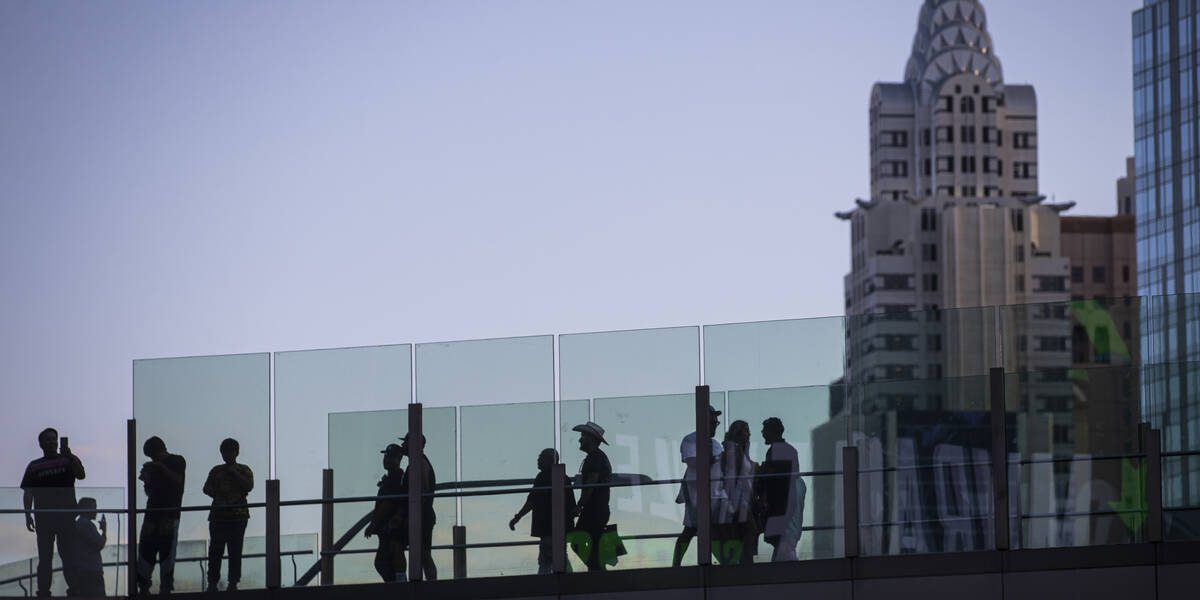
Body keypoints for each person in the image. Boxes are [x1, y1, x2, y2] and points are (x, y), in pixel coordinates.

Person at [21, 427, 86, 597]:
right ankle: (43, 592)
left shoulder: (68, 460)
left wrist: (70, 455)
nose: (52, 442)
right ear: (41, 444)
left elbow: (81, 475)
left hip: (66, 518)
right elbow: (28, 492)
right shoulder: (34, 466)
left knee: (69, 556)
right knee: (45, 558)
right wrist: (27, 514)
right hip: (44, 519)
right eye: (48, 439)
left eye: (54, 439)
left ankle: (75, 590)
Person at [509, 448, 576, 574]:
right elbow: (571, 503)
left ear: (549, 460)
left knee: (547, 558)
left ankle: (547, 581)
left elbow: (532, 501)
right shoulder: (563, 478)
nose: (538, 460)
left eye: (541, 457)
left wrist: (517, 517)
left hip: (547, 527)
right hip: (559, 526)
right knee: (558, 555)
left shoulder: (542, 477)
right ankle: (567, 579)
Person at [672, 407, 724, 567]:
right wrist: (718, 458)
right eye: (712, 423)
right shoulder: (690, 440)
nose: (715, 426)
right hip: (696, 495)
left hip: (715, 494)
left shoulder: (716, 444)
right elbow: (693, 461)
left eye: (716, 423)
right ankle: (676, 565)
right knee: (690, 529)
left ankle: (723, 563)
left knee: (711, 531)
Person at [202, 438, 254, 592]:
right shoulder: (216, 470)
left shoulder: (243, 470)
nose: (226, 455)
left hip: (236, 517)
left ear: (236, 452)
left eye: (229, 451)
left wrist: (233, 474)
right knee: (216, 550)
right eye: (224, 452)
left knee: (234, 550)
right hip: (221, 516)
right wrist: (219, 494)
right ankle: (213, 582)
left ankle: (232, 582)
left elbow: (249, 486)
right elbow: (206, 488)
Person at [137, 436, 186, 595]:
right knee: (146, 549)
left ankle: (165, 586)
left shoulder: (178, 461)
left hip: (170, 513)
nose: (153, 458)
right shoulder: (154, 467)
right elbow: (149, 492)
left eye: (153, 455)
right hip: (152, 513)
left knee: (167, 550)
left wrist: (160, 467)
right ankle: (144, 585)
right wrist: (147, 479)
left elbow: (178, 480)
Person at [755, 417, 806, 562]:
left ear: (772, 431)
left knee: (784, 545)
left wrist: (763, 472)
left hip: (781, 506)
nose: (762, 433)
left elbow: (777, 480)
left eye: (765, 430)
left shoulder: (777, 450)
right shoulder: (786, 449)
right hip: (784, 505)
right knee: (783, 545)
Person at [570, 421, 612, 572]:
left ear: (591, 439)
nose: (580, 439)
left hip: (594, 510)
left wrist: (579, 505)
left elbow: (591, 483)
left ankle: (597, 572)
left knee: (578, 540)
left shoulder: (594, 457)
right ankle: (597, 571)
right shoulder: (598, 456)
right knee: (592, 543)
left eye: (583, 436)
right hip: (597, 509)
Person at [716, 420, 758, 565]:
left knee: (742, 533)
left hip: (739, 499)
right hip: (737, 499)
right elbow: (736, 476)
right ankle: (744, 563)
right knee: (750, 531)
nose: (748, 434)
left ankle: (743, 563)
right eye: (745, 431)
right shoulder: (734, 449)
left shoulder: (737, 449)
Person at [364, 444, 407, 583]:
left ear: (398, 459)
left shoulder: (395, 478)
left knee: (386, 560)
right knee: (384, 561)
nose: (386, 459)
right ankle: (397, 585)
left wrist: (373, 523)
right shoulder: (393, 478)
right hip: (388, 527)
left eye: (390, 456)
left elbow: (388, 504)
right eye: (386, 456)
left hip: (391, 527)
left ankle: (399, 586)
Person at [399, 433, 437, 581]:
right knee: (422, 553)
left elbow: (422, 492)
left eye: (406, 443)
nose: (403, 446)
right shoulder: (419, 462)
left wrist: (413, 516)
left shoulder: (419, 463)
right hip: (422, 514)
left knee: (423, 553)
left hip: (421, 515)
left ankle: (431, 587)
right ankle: (430, 586)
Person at [71, 497, 107, 597]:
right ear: (87, 509)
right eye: (94, 507)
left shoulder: (79, 523)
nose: (96, 511)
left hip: (83, 570)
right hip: (92, 571)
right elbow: (100, 543)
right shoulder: (86, 524)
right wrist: (104, 531)